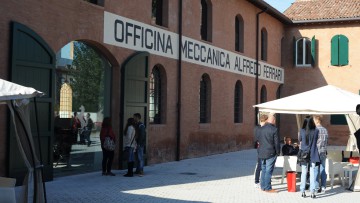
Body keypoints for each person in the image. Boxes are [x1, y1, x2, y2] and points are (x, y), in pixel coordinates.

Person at [256, 114, 280, 193]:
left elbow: (258, 140)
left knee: (263, 170)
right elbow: (276, 143)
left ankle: (263, 186)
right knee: (268, 171)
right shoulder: (274, 129)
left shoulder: (261, 129)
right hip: (270, 153)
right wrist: (278, 152)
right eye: (275, 120)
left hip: (262, 153)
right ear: (273, 121)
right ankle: (268, 188)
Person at [299, 117, 320, 198]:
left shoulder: (302, 131)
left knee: (303, 172)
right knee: (312, 173)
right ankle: (312, 192)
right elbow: (317, 140)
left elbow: (300, 140)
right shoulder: (316, 131)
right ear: (312, 122)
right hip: (313, 153)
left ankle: (302, 191)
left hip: (304, 153)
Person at [314, 115, 328, 193]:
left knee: (316, 169)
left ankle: (316, 187)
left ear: (316, 121)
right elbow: (326, 142)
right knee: (323, 169)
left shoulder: (316, 130)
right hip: (323, 151)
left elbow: (314, 142)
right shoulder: (325, 130)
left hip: (316, 152)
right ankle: (323, 186)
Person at [254, 114, 268, 188]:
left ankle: (260, 180)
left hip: (261, 148)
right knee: (260, 165)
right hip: (261, 148)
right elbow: (256, 139)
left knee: (262, 164)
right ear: (265, 121)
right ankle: (257, 181)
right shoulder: (259, 128)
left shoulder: (257, 128)